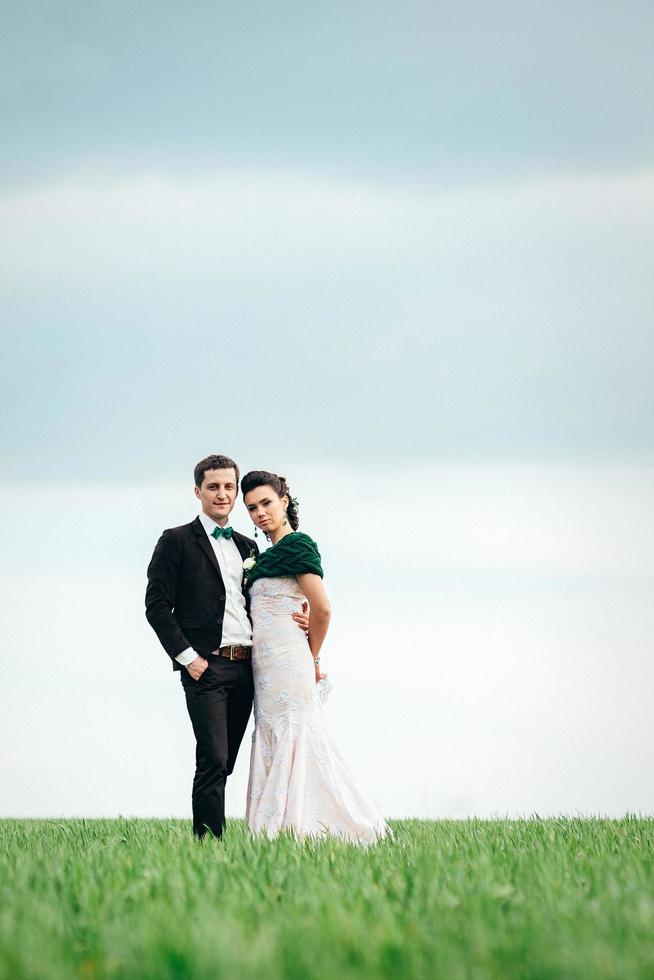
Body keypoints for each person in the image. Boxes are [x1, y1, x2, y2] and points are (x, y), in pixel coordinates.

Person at [145, 454, 309, 840]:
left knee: (228, 762)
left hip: (248, 669)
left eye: (229, 487)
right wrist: (189, 659)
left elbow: (264, 602)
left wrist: (298, 616)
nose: (222, 494)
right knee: (213, 759)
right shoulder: (175, 541)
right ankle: (208, 847)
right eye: (213, 486)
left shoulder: (247, 546)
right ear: (197, 490)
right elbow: (156, 607)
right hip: (206, 667)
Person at [241, 470, 391, 844]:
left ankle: (308, 825)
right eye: (252, 508)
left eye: (266, 504)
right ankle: (275, 827)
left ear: (284, 502)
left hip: (292, 661)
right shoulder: (262, 557)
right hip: (265, 666)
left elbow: (322, 609)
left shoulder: (298, 546)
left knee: (298, 732)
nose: (259, 513)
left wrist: (312, 655)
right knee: (273, 733)